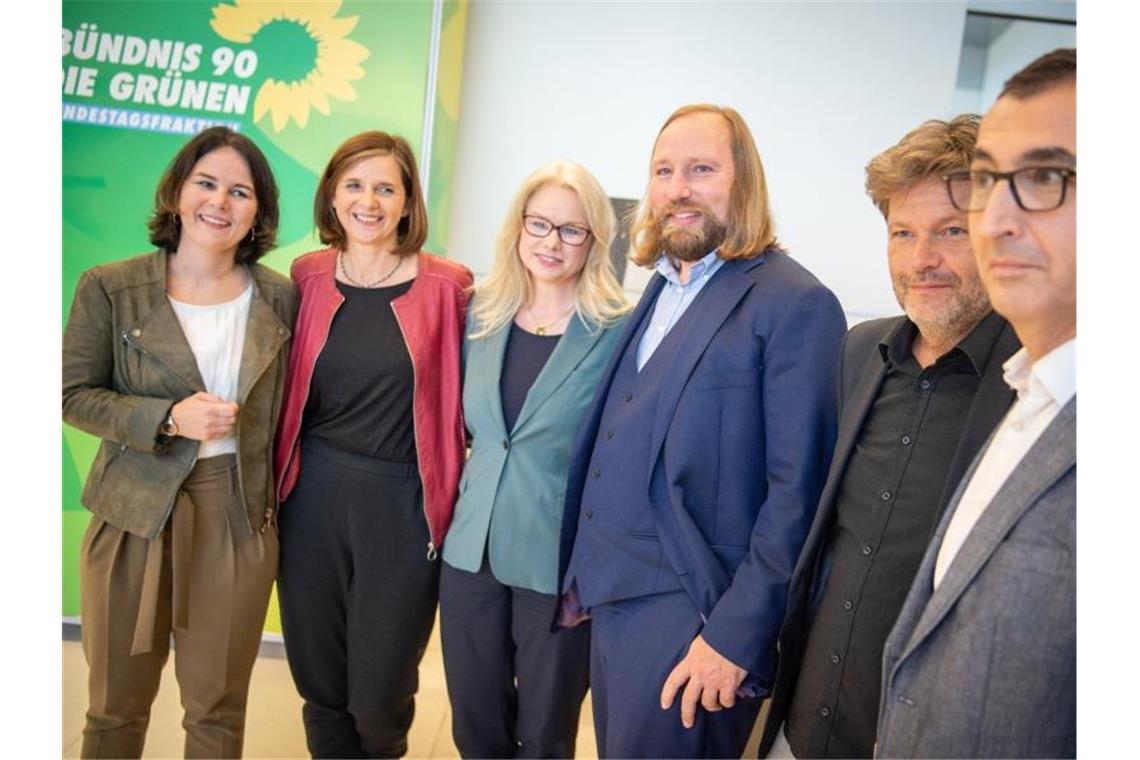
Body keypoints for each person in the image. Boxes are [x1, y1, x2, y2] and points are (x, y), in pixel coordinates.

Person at [555, 103, 847, 758]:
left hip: (693, 618)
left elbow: (798, 497)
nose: (677, 187)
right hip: (612, 598)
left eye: (701, 169)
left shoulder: (795, 304)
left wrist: (734, 638)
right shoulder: (661, 285)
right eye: (664, 171)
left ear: (744, 182)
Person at [759, 115, 1021, 759]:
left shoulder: (1032, 382)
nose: (921, 259)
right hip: (804, 723)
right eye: (902, 233)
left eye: (950, 232)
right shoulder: (857, 353)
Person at [62, 126, 297, 758]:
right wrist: (167, 418)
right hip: (132, 509)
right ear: (176, 193)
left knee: (217, 712)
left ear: (258, 212)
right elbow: (71, 395)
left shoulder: (280, 296)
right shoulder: (109, 286)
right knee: (114, 708)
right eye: (207, 183)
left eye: (240, 191)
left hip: (237, 515)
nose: (220, 202)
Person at [876, 48, 1076, 758]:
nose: (998, 221)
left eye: (1047, 179)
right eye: (991, 186)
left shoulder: (1017, 381)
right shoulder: (1035, 393)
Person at [273, 130, 472, 758]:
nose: (369, 201)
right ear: (332, 195)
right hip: (312, 496)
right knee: (318, 677)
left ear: (408, 202)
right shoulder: (303, 277)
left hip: (404, 502)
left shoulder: (449, 287)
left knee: (381, 691)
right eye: (354, 185)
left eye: (386, 187)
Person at [439, 161, 631, 758]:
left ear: (595, 239)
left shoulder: (618, 331)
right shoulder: (480, 313)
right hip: (471, 553)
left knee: (545, 733)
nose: (552, 241)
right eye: (540, 224)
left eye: (571, 230)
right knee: (475, 724)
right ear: (518, 228)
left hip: (558, 563)